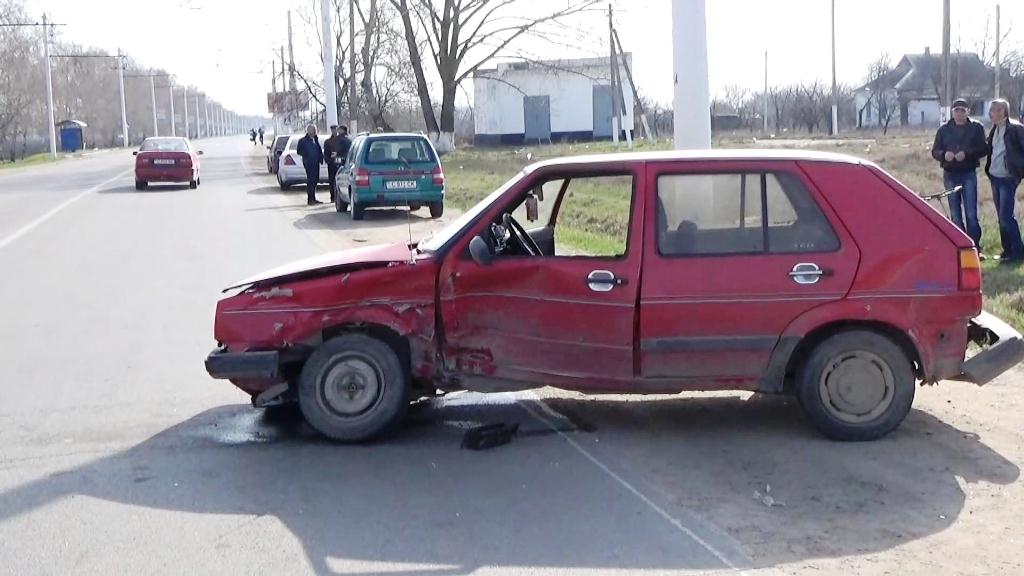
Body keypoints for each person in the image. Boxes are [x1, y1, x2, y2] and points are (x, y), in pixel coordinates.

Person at [931, 98, 987, 251]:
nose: (959, 113)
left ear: (968, 112)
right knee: (955, 214)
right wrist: (944, 155)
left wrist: (967, 154)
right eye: (957, 110)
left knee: (971, 213)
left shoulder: (976, 127)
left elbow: (984, 149)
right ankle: (960, 246)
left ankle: (975, 246)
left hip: (968, 173)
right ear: (952, 112)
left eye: (963, 110)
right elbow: (935, 151)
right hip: (950, 174)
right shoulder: (943, 130)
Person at [985, 98, 1024, 262]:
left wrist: (1018, 172)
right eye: (992, 110)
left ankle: (1018, 251)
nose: (994, 113)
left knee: (1006, 215)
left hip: (1008, 178)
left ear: (1004, 111)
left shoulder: (1015, 128)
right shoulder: (994, 130)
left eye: (998, 110)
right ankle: (1007, 250)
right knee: (1002, 217)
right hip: (995, 177)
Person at [323, 125, 353, 202]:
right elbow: (327, 153)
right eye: (333, 130)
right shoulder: (329, 141)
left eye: (336, 129)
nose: (335, 131)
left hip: (340, 163)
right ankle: (334, 197)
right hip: (337, 163)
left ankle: (336, 197)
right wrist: (328, 160)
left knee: (337, 181)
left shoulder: (343, 140)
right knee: (334, 180)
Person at [296, 124, 324, 205]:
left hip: (316, 162)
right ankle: (310, 199)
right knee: (311, 180)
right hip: (309, 163)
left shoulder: (315, 139)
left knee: (315, 180)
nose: (314, 131)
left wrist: (321, 158)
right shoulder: (303, 140)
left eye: (315, 130)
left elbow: (318, 150)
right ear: (308, 131)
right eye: (312, 130)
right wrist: (307, 154)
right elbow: (299, 151)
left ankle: (314, 198)